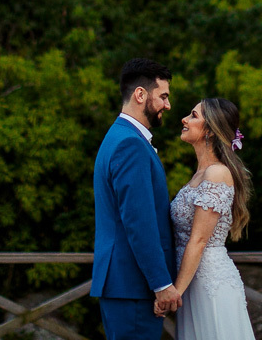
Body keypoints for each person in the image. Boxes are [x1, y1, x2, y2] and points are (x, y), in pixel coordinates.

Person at [91, 58, 181, 340]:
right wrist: (161, 284)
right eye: (163, 96)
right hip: (133, 286)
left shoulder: (118, 137)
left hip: (125, 285)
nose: (168, 105)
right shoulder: (130, 144)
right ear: (140, 95)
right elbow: (139, 222)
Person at [161, 97, 256, 340]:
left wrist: (175, 292)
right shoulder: (199, 175)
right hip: (191, 282)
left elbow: (199, 240)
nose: (184, 119)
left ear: (210, 131)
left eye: (193, 116)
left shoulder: (216, 173)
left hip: (209, 284)